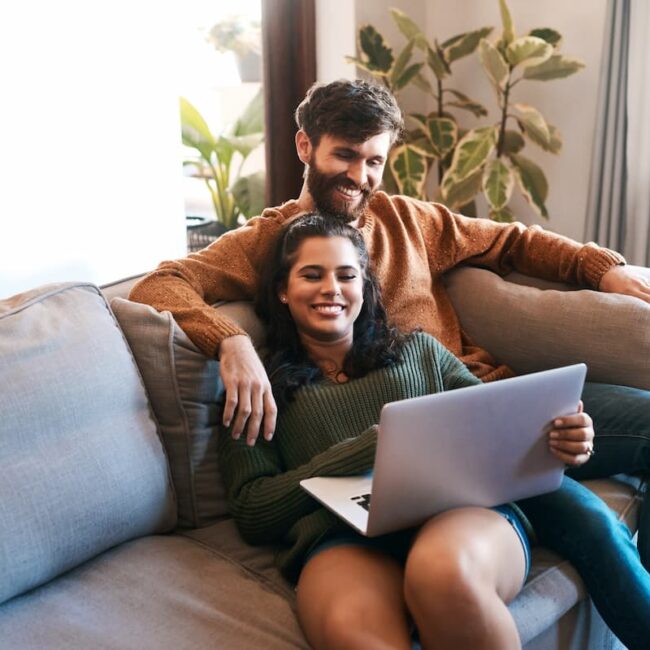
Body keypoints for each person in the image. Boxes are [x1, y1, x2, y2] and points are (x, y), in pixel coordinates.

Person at [129, 79, 650, 565]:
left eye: (374, 160)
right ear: (305, 147)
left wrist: (602, 269)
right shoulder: (268, 243)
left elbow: (512, 240)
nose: (360, 176)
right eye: (346, 155)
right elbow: (161, 283)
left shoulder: (409, 220)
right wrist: (231, 341)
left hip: (491, 403)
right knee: (586, 522)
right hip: (406, 452)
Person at [217, 212, 650, 650]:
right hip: (341, 537)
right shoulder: (257, 386)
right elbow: (253, 510)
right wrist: (369, 448)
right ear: (282, 291)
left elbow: (500, 430)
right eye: (312, 275)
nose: (331, 288)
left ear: (364, 288)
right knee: (356, 635)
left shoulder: (418, 351)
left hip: (457, 515)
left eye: (346, 275)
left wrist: (566, 443)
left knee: (446, 579)